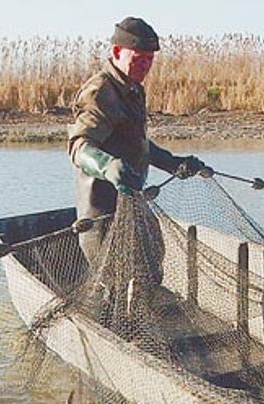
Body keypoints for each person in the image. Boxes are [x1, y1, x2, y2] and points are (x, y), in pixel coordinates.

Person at [68, 17, 205, 257]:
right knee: (111, 283)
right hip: (102, 212)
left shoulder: (133, 88)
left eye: (149, 61)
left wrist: (172, 162)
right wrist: (107, 165)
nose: (145, 67)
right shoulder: (101, 92)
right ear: (117, 51)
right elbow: (78, 147)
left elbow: (135, 143)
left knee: (153, 256)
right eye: (139, 59)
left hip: (132, 200)